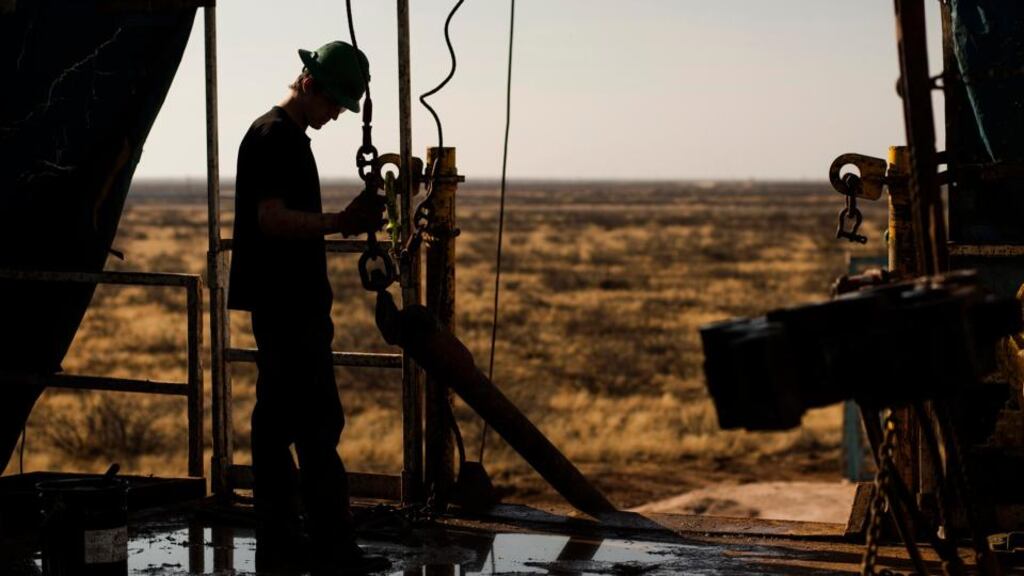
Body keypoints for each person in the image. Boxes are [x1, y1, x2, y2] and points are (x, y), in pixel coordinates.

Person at [227, 40, 389, 574]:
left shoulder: (278, 135)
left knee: (274, 427)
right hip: (290, 305)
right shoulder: (278, 139)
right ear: (308, 85)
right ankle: (333, 548)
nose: (337, 113)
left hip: (279, 302)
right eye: (334, 102)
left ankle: (279, 543)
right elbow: (271, 219)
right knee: (318, 424)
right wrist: (343, 222)